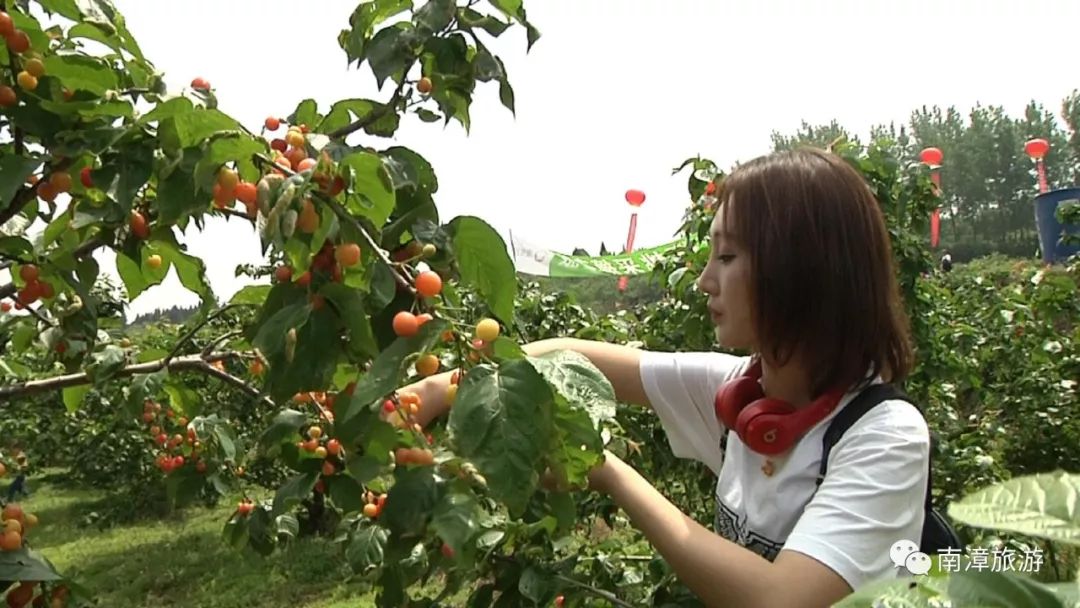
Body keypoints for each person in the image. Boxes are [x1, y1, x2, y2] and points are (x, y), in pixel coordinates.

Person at [396, 148, 930, 607]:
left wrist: (608, 472)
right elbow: (568, 355)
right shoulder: (743, 395)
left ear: (799, 267)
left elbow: (781, 598)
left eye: (727, 255)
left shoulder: (883, 437)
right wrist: (432, 390)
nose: (704, 281)